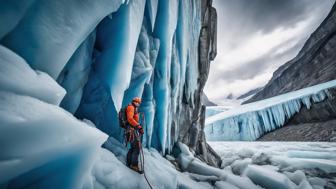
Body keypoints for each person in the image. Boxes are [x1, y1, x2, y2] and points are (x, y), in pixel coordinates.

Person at [125, 97, 144, 173]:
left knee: (133, 147)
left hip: (131, 130)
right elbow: (130, 119)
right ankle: (134, 165)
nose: (138, 104)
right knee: (136, 147)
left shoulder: (133, 108)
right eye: (137, 102)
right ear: (134, 102)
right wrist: (138, 126)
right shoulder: (131, 107)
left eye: (139, 103)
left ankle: (129, 162)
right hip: (131, 130)